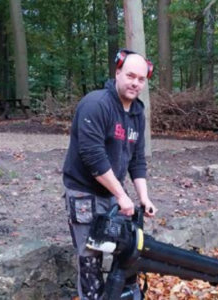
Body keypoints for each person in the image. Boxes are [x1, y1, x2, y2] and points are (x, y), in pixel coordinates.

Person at [62, 49, 157, 300]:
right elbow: (93, 157)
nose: (135, 83)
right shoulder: (96, 104)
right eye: (130, 76)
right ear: (117, 73)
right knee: (90, 257)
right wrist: (121, 195)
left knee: (127, 250)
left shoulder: (137, 113)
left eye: (141, 79)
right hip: (84, 190)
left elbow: (137, 159)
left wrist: (143, 197)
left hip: (113, 191)